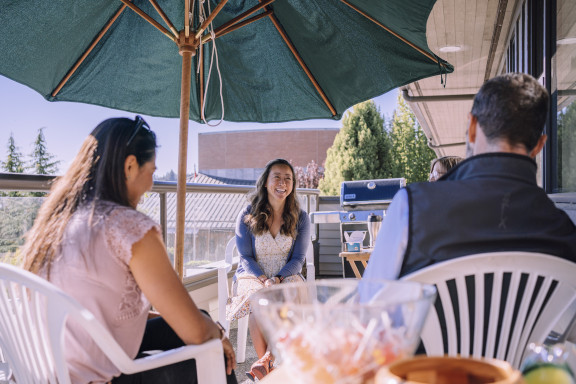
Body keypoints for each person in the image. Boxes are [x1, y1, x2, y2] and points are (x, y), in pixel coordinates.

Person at [20, 116, 237, 384]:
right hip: (95, 378)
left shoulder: (58, 221)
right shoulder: (129, 228)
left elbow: (97, 306)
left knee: (201, 321)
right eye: (152, 172)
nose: (151, 185)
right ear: (130, 165)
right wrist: (219, 338)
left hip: (43, 371)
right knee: (208, 346)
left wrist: (208, 329)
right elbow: (196, 334)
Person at [363, 73, 576, 282]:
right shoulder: (565, 233)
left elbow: (370, 302)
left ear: (472, 128)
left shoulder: (412, 207)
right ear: (540, 145)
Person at [226, 158, 311, 381]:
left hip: (287, 273)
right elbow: (245, 256)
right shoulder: (248, 213)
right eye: (277, 177)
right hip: (252, 274)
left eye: (288, 178)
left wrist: (279, 278)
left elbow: (298, 258)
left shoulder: (301, 217)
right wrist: (264, 279)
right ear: (265, 182)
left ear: (293, 185)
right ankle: (270, 364)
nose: (282, 183)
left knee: (291, 292)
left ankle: (266, 362)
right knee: (258, 298)